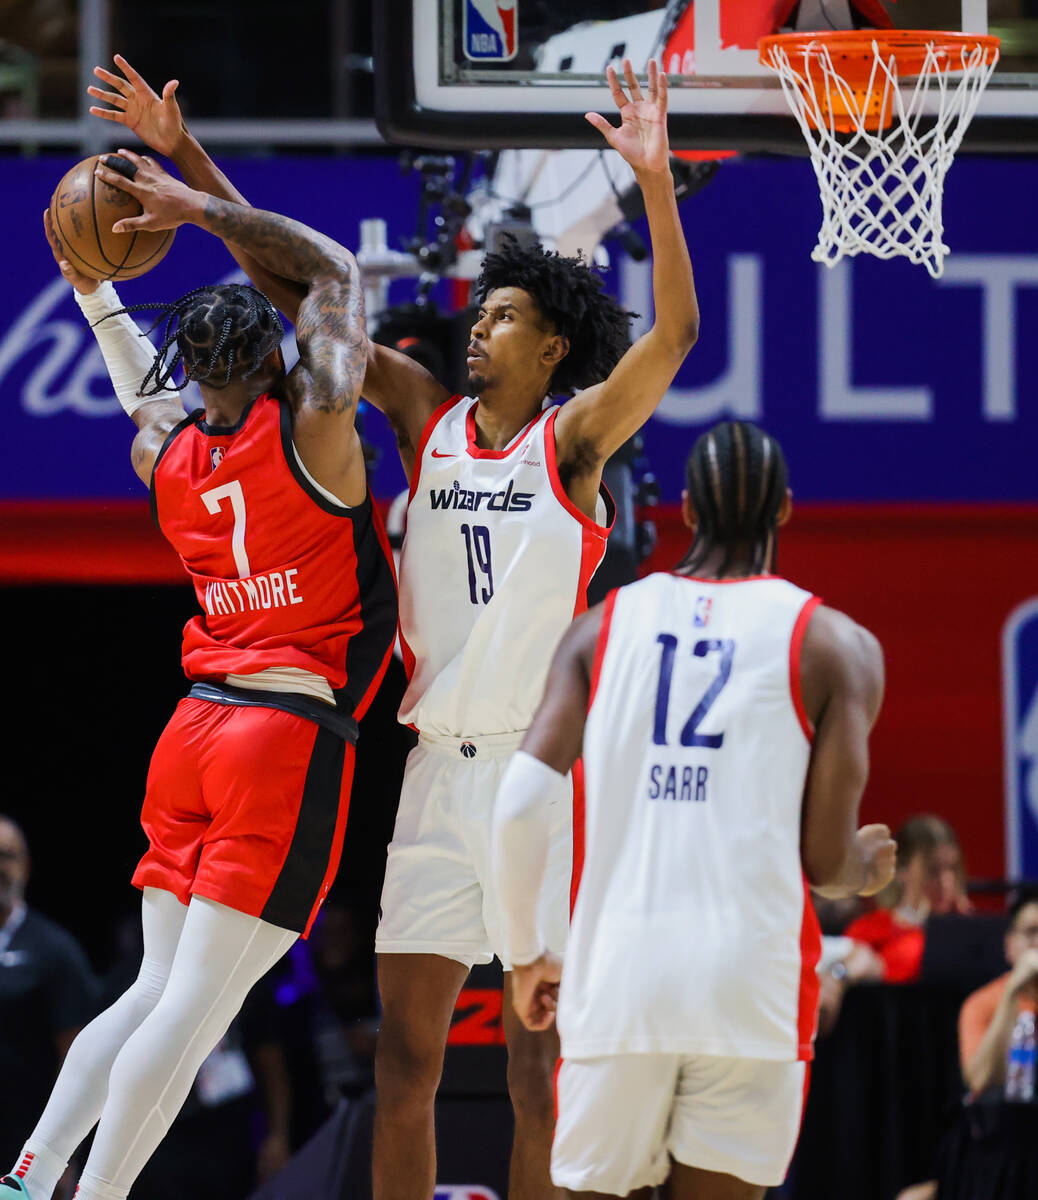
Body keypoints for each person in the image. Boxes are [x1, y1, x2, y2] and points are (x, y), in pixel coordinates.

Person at [84, 51, 701, 1198]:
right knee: (405, 1058)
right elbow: (303, 306)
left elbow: (672, 337)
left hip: (536, 778)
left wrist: (655, 186)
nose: (479, 331)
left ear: (554, 348)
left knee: (534, 1063)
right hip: (430, 772)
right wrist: (192, 166)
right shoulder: (429, 414)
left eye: (505, 318)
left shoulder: (570, 445)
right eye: (480, 313)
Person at [2, 157, 395, 1200]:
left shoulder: (166, 455)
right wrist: (201, 210)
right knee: (194, 1012)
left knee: (150, 992)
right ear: (271, 356)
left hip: (193, 734)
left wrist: (94, 291)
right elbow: (337, 271)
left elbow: (145, 392)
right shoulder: (315, 425)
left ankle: (32, 1177)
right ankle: (97, 1197)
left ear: (192, 368)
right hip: (282, 734)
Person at [491, 420, 898, 1200]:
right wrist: (865, 867)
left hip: (620, 975)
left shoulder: (601, 628)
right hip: (752, 984)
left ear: (686, 508)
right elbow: (824, 860)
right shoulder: (838, 647)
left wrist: (528, 951)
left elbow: (517, 806)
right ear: (783, 510)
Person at [0, 817, 98, 1184]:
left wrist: (60, 1153)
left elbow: (75, 1058)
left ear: (25, 867)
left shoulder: (55, 950)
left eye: (6, 856)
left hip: (23, 1147)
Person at [844, 814, 971, 984]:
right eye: (933, 871)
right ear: (901, 870)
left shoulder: (969, 932)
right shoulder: (868, 930)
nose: (945, 882)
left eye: (951, 869)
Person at [959, 889, 1038, 1097]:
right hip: (1003, 1121)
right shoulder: (981, 1002)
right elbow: (978, 1080)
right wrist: (1012, 992)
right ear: (1009, 944)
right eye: (1031, 931)